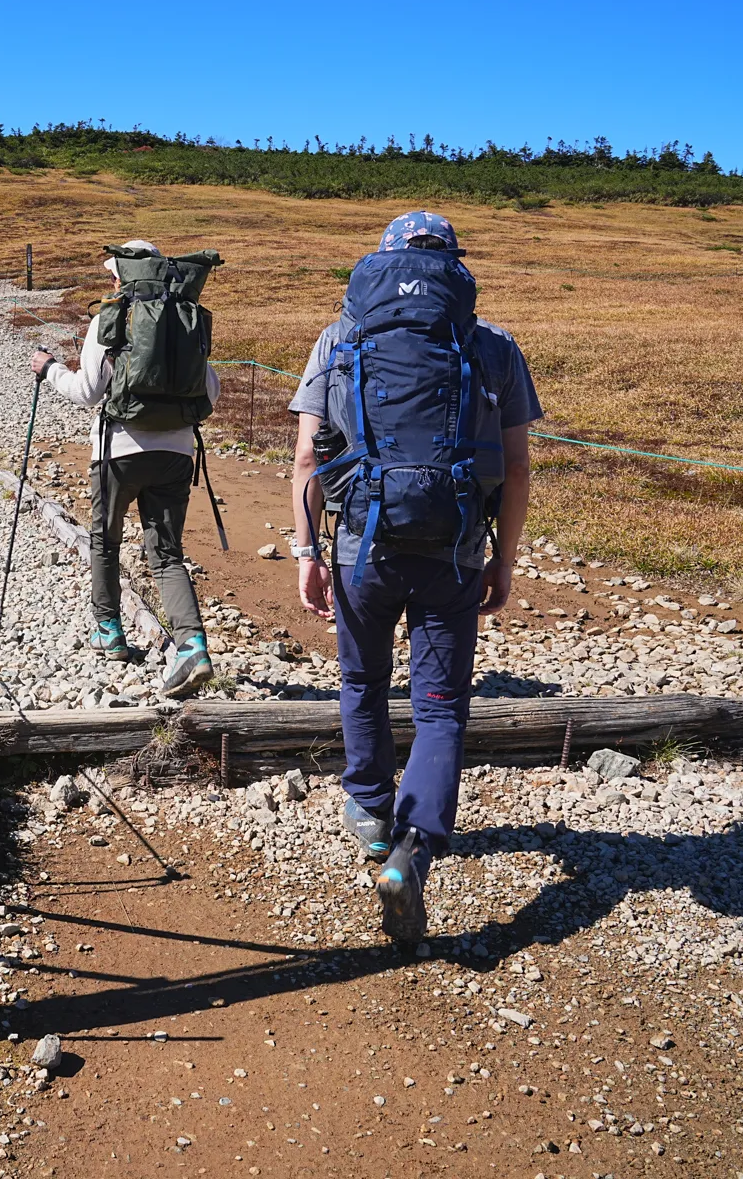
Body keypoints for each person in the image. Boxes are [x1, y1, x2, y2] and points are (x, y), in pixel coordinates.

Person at [288, 211, 541, 941]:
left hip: (363, 546)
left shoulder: (339, 339)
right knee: (439, 707)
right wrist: (504, 559)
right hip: (455, 548)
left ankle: (369, 816)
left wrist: (308, 552)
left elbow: (307, 461)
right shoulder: (492, 344)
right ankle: (415, 850)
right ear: (454, 269)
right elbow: (518, 467)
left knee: (362, 681)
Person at [29, 240, 221, 699]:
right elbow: (210, 393)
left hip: (118, 450)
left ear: (122, 276)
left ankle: (110, 632)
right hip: (177, 454)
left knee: (105, 540)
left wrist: (49, 368)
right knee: (167, 553)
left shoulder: (110, 317)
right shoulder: (184, 316)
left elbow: (86, 392)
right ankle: (191, 645)